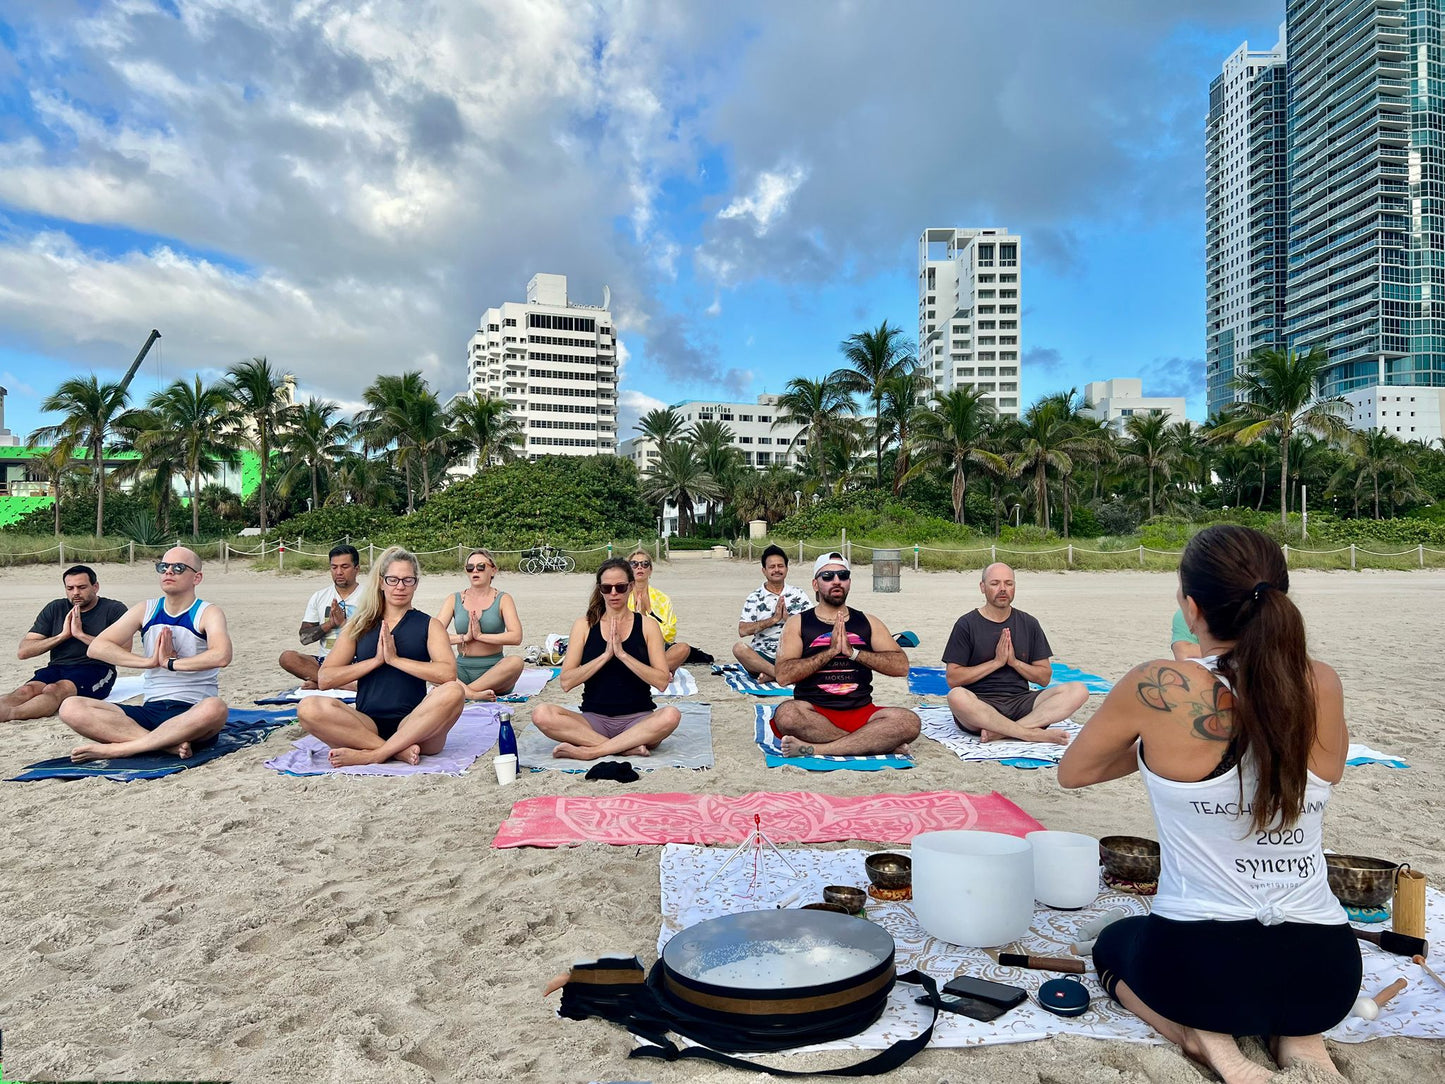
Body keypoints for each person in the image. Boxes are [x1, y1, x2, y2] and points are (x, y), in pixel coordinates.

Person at [1058, 525, 1357, 1084]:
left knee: (1117, 941)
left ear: (1191, 608)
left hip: (1203, 968)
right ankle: (1304, 1042)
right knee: (1292, 985)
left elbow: (1074, 772)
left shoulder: (1162, 684)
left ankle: (1204, 1042)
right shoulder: (1321, 683)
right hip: (1329, 970)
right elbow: (1330, 768)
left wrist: (1156, 746)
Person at [58, 548, 232, 761]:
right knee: (70, 707)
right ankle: (164, 745)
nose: (169, 572)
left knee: (216, 707)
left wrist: (170, 663)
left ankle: (121, 749)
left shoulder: (207, 612)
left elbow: (221, 655)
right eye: (163, 567)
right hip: (151, 711)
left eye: (178, 568)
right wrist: (148, 662)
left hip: (192, 713)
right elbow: (98, 647)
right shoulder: (146, 609)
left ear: (197, 577)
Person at [297, 546, 465, 767]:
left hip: (416, 726)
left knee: (454, 691)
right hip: (366, 726)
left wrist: (396, 660)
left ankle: (375, 754)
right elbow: (326, 677)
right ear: (382, 581)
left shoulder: (429, 625)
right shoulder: (359, 625)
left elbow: (447, 674)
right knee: (307, 708)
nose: (400, 587)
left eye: (408, 580)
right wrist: (375, 661)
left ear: (416, 583)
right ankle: (395, 751)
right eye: (393, 580)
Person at [771, 552, 919, 757]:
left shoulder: (867, 622)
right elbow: (783, 675)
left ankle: (817, 748)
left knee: (909, 722)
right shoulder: (798, 623)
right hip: (814, 713)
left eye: (843, 575)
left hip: (861, 711)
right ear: (815, 584)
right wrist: (830, 652)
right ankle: (868, 743)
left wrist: (854, 653)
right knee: (786, 714)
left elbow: (901, 666)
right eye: (828, 576)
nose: (836, 581)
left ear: (849, 582)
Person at [532, 557, 680, 761]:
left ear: (630, 587)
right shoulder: (584, 625)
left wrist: (622, 655)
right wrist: (604, 656)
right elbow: (566, 682)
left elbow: (662, 681)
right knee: (541, 714)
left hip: (639, 720)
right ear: (599, 589)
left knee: (671, 715)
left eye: (619, 587)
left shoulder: (647, 626)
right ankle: (623, 748)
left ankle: (593, 750)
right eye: (606, 587)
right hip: (593, 721)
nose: (613, 593)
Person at [943, 562, 1088, 745]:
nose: (1002, 589)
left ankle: (1003, 732)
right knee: (956, 697)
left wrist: (1015, 662)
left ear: (1014, 587)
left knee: (1078, 690)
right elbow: (953, 678)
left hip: (1022, 702)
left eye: (1008, 583)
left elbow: (1044, 678)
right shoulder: (966, 624)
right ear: (982, 587)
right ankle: (1029, 734)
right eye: (995, 583)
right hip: (981, 706)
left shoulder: (1029, 623)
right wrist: (996, 662)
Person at [1, 565, 130, 723]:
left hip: (97, 669)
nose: (75, 592)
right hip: (58, 667)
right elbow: (24, 651)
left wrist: (80, 634)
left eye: (81, 587)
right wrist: (62, 636)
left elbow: (124, 651)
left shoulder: (114, 610)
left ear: (95, 587)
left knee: (55, 689)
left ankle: (9, 715)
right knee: (26, 690)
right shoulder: (56, 608)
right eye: (70, 588)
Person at [435, 548, 525, 700]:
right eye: (470, 568)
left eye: (481, 567)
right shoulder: (454, 599)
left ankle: (463, 692)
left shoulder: (503, 599)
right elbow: (433, 635)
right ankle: (472, 694)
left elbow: (516, 637)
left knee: (516, 662)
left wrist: (481, 636)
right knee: (431, 664)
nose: (475, 571)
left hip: (495, 672)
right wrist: (465, 637)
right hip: (461, 669)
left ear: (493, 570)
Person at [278, 544, 363, 688]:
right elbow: (304, 638)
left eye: (344, 567)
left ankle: (324, 682)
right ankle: (342, 684)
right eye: (334, 567)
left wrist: (344, 624)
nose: (339, 572)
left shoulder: (370, 597)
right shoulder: (319, 597)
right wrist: (329, 624)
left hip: (359, 661)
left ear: (356, 569)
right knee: (287, 658)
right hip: (326, 661)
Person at [732, 544, 811, 681]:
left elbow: (813, 626)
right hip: (764, 656)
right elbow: (742, 630)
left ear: (786, 568)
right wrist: (773, 620)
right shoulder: (755, 597)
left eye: (780, 566)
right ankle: (779, 674)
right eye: (772, 567)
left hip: (793, 654)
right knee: (739, 648)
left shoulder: (798, 594)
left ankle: (772, 675)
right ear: (764, 570)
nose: (776, 570)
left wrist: (789, 620)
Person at [625, 549, 692, 674]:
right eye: (634, 564)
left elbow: (670, 635)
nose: (640, 567)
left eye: (645, 564)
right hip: (627, 651)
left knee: (683, 648)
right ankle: (657, 672)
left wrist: (648, 613)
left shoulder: (663, 599)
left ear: (650, 570)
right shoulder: (621, 595)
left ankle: (648, 671)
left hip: (656, 652)